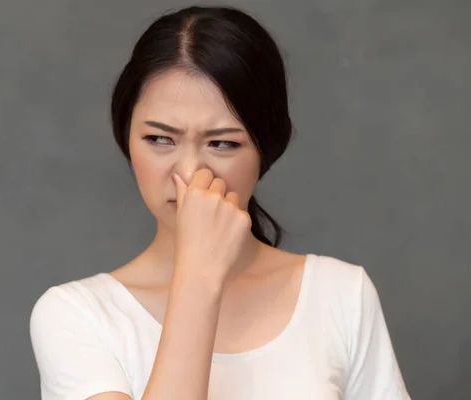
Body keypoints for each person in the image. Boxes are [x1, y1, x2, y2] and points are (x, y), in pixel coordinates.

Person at [29, 5, 410, 400]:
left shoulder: (341, 296)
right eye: (160, 139)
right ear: (126, 136)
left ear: (266, 149)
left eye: (223, 143)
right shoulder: (77, 316)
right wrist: (199, 276)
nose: (191, 174)